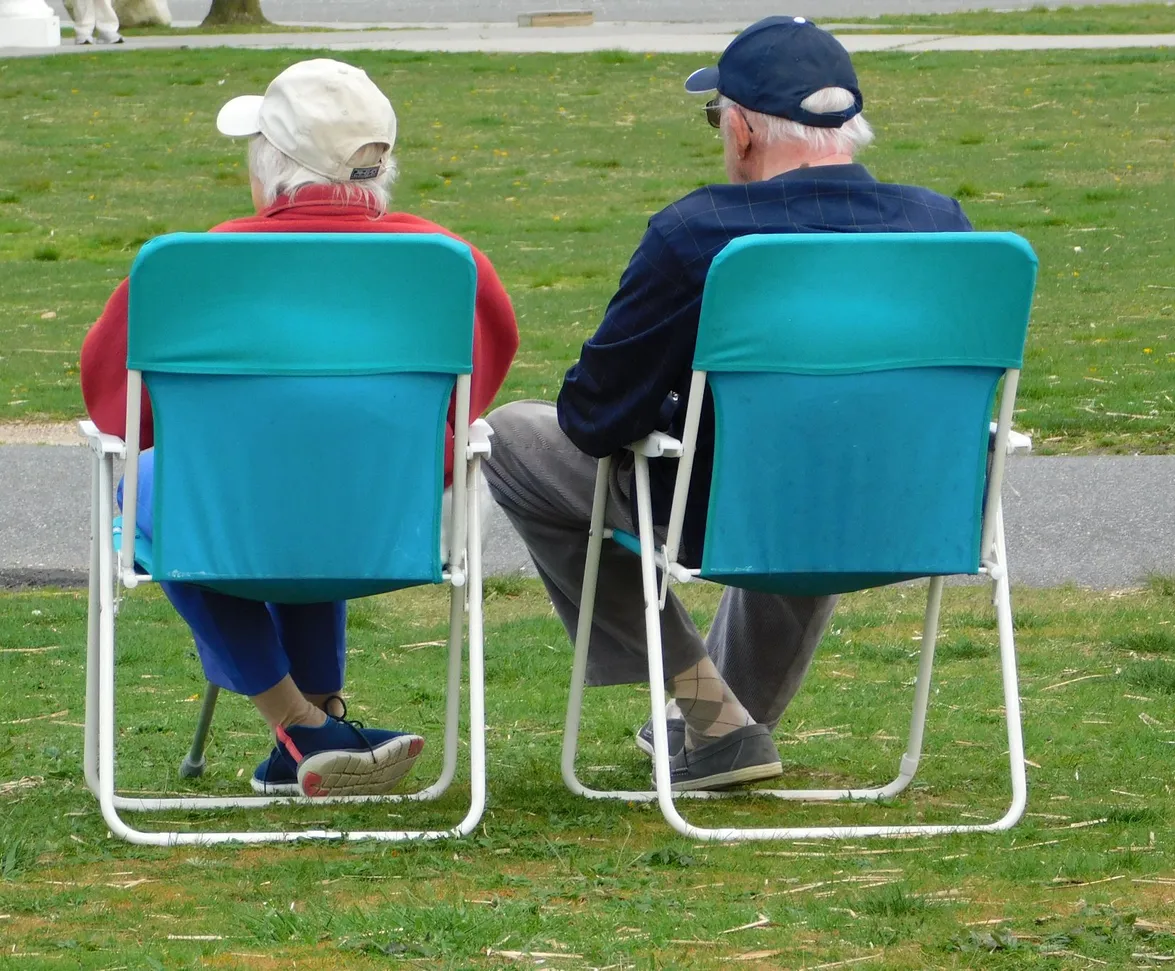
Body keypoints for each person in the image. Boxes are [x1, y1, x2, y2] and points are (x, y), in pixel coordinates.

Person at [483, 16, 973, 790]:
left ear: (741, 130)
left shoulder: (699, 233)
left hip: (725, 514)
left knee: (514, 437)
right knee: (811, 451)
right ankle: (724, 729)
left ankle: (710, 710)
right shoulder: (943, 229)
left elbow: (594, 418)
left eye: (717, 118)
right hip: (906, 505)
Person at [80, 58, 519, 799]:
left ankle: (295, 721)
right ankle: (316, 727)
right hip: (397, 529)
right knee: (321, 466)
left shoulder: (191, 269)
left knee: (167, 487)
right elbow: (470, 399)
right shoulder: (448, 267)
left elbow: (111, 409)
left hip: (233, 528)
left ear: (270, 166)